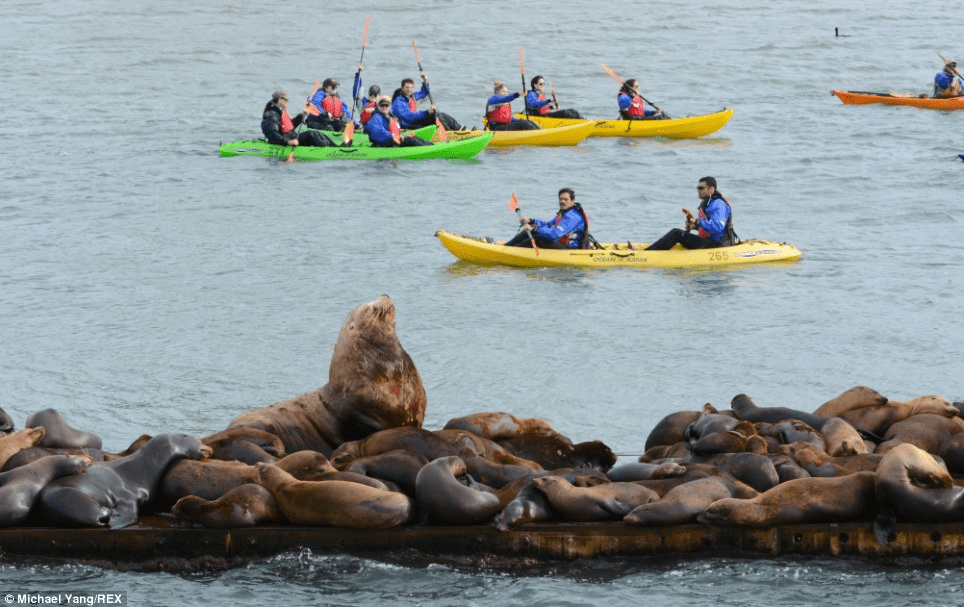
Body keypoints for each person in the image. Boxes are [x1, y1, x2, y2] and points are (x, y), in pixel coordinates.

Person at [645, 177, 739, 250]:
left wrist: (698, 222)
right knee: (678, 233)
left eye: (701, 188)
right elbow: (710, 228)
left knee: (676, 233)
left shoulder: (719, 205)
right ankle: (653, 251)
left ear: (711, 189)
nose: (698, 190)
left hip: (717, 244)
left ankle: (647, 254)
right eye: (698, 187)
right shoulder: (710, 203)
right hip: (711, 241)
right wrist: (694, 226)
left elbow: (717, 227)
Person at [505, 188, 589, 249]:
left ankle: (510, 251)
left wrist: (535, 228)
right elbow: (548, 225)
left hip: (571, 250)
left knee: (538, 237)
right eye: (561, 199)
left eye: (565, 199)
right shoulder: (564, 213)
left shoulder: (573, 217)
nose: (562, 201)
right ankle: (506, 247)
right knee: (530, 232)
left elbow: (555, 234)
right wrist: (530, 221)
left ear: (572, 202)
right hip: (562, 245)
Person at [261, 89, 336, 147]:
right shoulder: (271, 114)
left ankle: (335, 146)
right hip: (285, 140)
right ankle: (333, 150)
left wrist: (302, 114)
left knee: (317, 133)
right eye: (286, 100)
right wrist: (288, 142)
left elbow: (290, 126)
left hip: (291, 137)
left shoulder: (281, 111)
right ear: (280, 100)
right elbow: (272, 134)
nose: (287, 102)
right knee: (312, 135)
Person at [391, 74, 464, 131]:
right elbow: (411, 116)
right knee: (436, 115)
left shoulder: (411, 96)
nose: (409, 90)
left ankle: (458, 129)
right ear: (402, 88)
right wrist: (427, 112)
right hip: (409, 124)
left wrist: (425, 79)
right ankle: (450, 133)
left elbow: (424, 93)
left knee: (440, 114)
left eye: (411, 88)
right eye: (407, 87)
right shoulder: (398, 103)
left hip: (414, 120)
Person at [363, 96, 433, 147]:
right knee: (411, 140)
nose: (384, 107)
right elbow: (378, 131)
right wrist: (392, 135)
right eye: (382, 105)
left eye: (386, 105)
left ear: (389, 106)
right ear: (378, 106)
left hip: (391, 140)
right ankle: (430, 148)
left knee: (413, 137)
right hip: (384, 144)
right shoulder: (376, 117)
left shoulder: (388, 115)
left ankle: (431, 145)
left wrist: (400, 135)